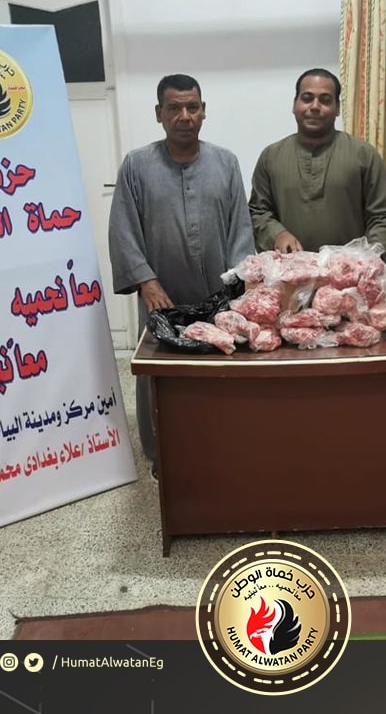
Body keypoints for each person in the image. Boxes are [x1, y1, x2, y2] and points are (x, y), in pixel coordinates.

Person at [108, 74, 256, 477]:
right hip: (163, 297)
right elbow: (123, 229)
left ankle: (221, 447)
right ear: (159, 114)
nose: (184, 116)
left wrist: (239, 286)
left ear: (204, 111)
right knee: (161, 373)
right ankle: (163, 454)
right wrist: (146, 281)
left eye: (192, 107)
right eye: (174, 108)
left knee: (219, 370)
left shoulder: (225, 163)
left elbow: (240, 229)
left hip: (217, 296)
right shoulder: (137, 165)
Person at [248, 68, 386, 265]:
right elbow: (257, 212)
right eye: (307, 98)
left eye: (325, 100)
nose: (315, 106)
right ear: (294, 104)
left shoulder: (363, 155)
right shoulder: (271, 157)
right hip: (288, 275)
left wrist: (366, 259)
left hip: (350, 277)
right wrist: (276, 234)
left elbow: (384, 215)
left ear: (337, 108)